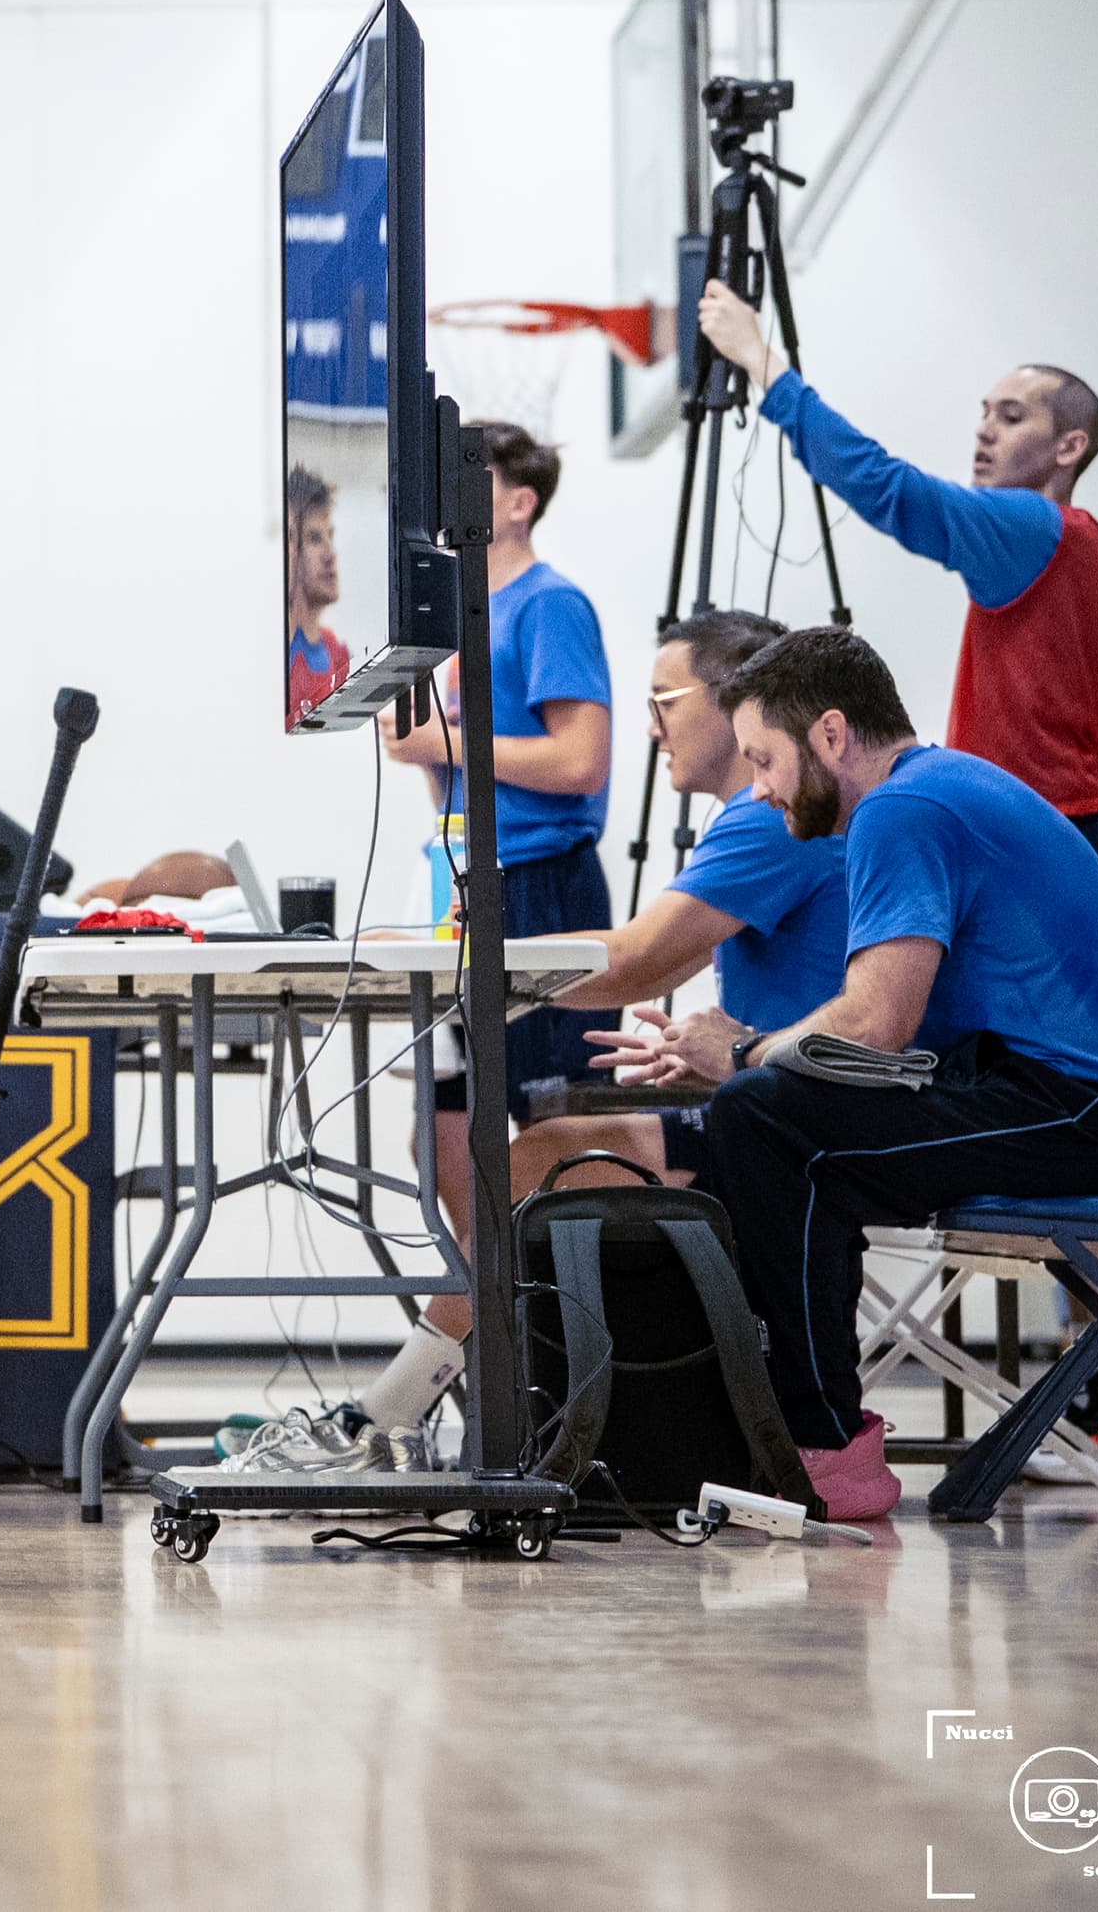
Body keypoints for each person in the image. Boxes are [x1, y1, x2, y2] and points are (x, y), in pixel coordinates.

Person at [223, 609, 848, 1474]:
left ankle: (390, 1419)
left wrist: (487, 958)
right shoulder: (757, 816)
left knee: (538, 1165)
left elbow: (633, 960)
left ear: (738, 701)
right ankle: (432, 1409)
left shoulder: (765, 818)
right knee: (504, 1160)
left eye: (665, 699)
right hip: (771, 1093)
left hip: (794, 1121)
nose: (651, 724)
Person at [594, 626, 1098, 1520]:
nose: (761, 790)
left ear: (831, 736)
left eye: (766, 761)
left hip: (1089, 1113)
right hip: (1056, 1096)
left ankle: (821, 1448)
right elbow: (882, 1032)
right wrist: (753, 1054)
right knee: (776, 1118)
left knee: (767, 1120)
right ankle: (808, 1434)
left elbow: (874, 1022)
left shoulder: (903, 809)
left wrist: (742, 1050)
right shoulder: (934, 789)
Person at [695, 282, 1098, 948]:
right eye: (985, 411)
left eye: (1013, 416)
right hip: (1064, 832)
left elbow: (888, 488)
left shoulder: (1035, 529)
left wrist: (764, 364)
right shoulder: (1070, 541)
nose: (985, 428)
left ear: (1069, 447)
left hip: (1049, 838)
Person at [381, 421, 616, 1092]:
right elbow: (453, 767)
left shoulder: (549, 604)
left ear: (521, 503)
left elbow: (581, 762)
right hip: (466, 869)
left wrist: (440, 743)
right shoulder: (463, 612)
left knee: (548, 1112)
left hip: (542, 879)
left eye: (471, 483)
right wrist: (424, 750)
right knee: (446, 1119)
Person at [284, 465, 353, 728]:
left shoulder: (340, 655)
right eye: (314, 538)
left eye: (330, 536)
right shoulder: (275, 656)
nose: (330, 553)